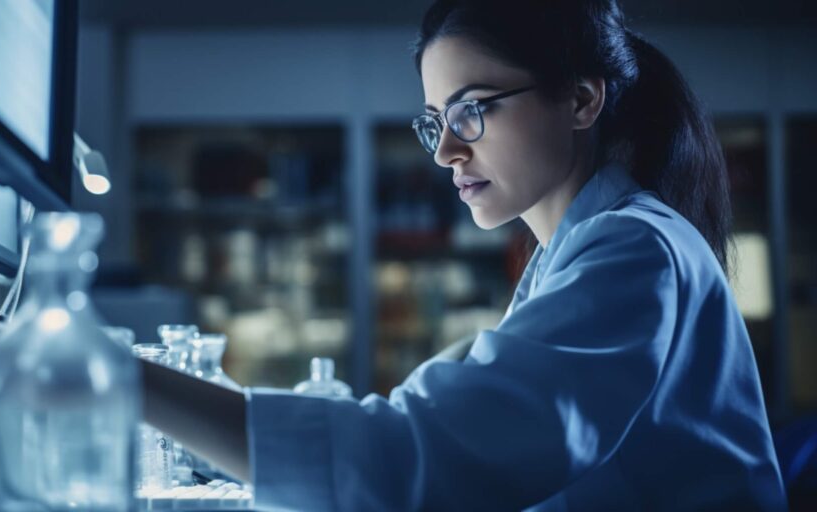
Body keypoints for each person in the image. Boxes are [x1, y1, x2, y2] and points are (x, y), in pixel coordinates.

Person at [141, 0, 787, 509]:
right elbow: (431, 425)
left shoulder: (633, 248)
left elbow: (422, 460)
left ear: (582, 100)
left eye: (472, 110)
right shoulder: (579, 254)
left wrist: (119, 377)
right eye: (434, 122)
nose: (447, 150)